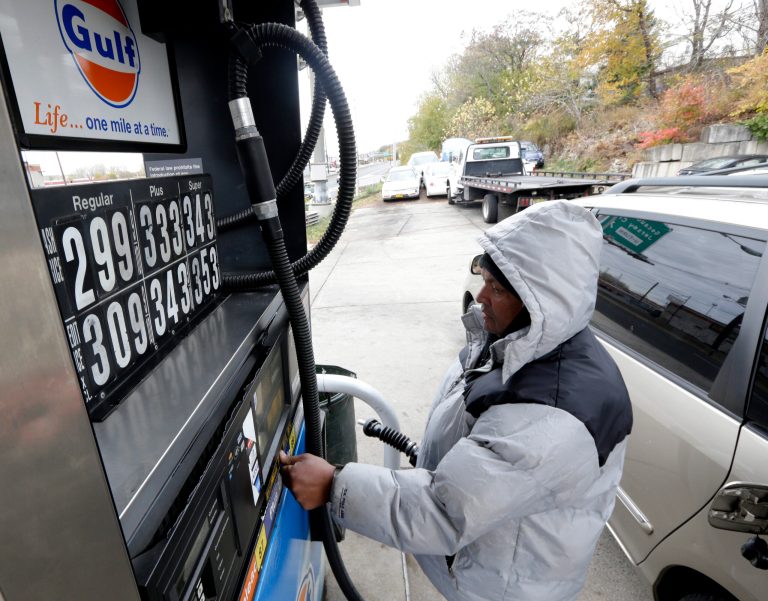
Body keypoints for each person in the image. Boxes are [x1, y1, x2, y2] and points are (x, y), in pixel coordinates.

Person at [279, 200, 633, 601]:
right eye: (484, 278)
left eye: (497, 289)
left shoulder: (550, 420)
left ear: (542, 303)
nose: (480, 297)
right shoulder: (524, 343)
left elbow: (444, 513)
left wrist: (335, 486)